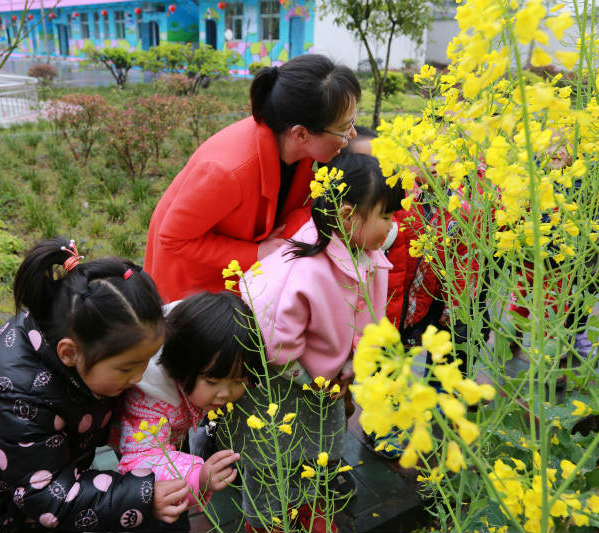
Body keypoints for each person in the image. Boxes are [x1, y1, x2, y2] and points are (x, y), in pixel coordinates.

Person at [0, 238, 189, 532]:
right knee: (144, 506)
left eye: (145, 361)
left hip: (37, 481)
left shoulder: (72, 331)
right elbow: (45, 498)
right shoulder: (20, 395)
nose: (138, 377)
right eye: (127, 368)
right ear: (69, 353)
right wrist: (142, 497)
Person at [235, 152, 402, 532]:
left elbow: (366, 321)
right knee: (272, 462)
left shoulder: (363, 250)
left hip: (323, 384)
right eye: (387, 217)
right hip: (281, 385)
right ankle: (266, 524)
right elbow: (275, 344)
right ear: (347, 216)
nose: (393, 227)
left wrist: (350, 367)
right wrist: (315, 380)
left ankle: (311, 514)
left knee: (316, 457)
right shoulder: (301, 269)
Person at [144, 54, 361, 302]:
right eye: (344, 128)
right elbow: (173, 239)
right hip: (193, 284)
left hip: (237, 271)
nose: (353, 134)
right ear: (301, 134)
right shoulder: (227, 172)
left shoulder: (299, 147)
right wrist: (257, 252)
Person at [116, 292, 261, 532]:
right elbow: (139, 460)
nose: (225, 393)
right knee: (163, 513)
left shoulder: (200, 351)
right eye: (213, 382)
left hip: (174, 426)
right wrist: (199, 478)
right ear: (180, 365)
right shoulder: (149, 399)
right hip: (140, 441)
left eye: (239, 381)